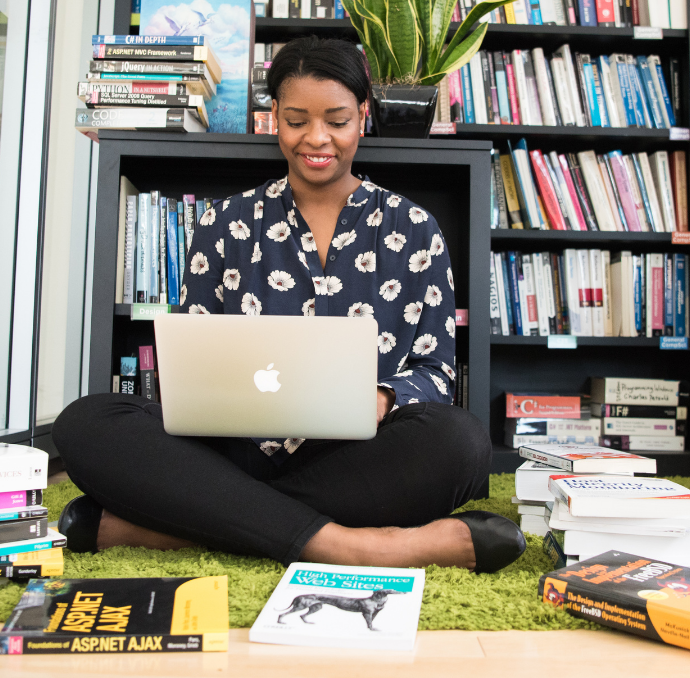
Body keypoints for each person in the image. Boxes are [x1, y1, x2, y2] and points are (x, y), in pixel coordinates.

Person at [54, 36, 525, 573]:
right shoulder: (223, 223)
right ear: (273, 115)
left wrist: (379, 398)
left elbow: (436, 371)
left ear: (363, 116)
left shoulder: (414, 228)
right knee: (85, 422)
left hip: (356, 457)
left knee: (460, 443)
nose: (317, 138)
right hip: (228, 450)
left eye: (338, 120)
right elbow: (191, 360)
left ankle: (181, 526)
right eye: (297, 119)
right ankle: (363, 546)